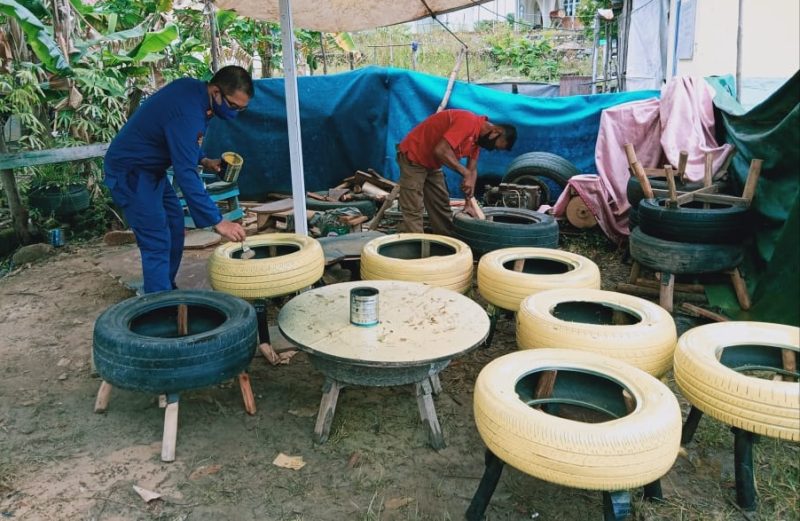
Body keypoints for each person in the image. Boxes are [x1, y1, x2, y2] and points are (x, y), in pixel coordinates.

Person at [104, 65, 253, 294]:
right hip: (131, 172)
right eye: (233, 105)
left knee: (175, 225)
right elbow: (185, 174)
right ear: (215, 91)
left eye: (241, 109)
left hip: (152, 171)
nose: (234, 112)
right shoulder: (189, 111)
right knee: (156, 239)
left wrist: (204, 160)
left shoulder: (196, 95)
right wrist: (218, 221)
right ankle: (158, 306)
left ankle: (166, 289)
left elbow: (182, 138)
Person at [396, 109, 517, 236]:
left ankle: (447, 244)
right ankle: (414, 246)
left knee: (441, 205)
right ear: (496, 132)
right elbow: (441, 151)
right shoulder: (467, 122)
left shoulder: (477, 140)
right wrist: (464, 173)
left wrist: (469, 201)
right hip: (414, 156)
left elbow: (472, 170)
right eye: (495, 146)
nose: (492, 149)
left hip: (432, 164)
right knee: (413, 207)